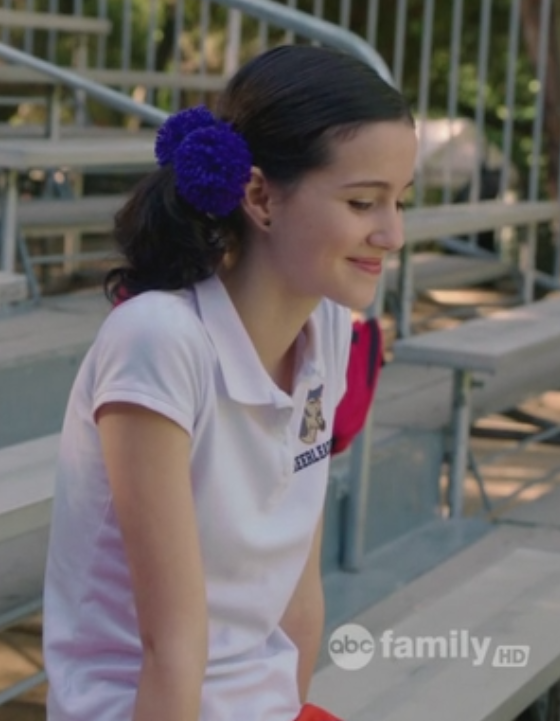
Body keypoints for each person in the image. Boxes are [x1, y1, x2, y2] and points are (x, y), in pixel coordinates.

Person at [42, 44, 417, 721]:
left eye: (401, 201)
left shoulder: (329, 325)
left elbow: (299, 598)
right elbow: (171, 647)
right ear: (259, 197)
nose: (393, 233)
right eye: (364, 201)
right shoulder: (159, 341)